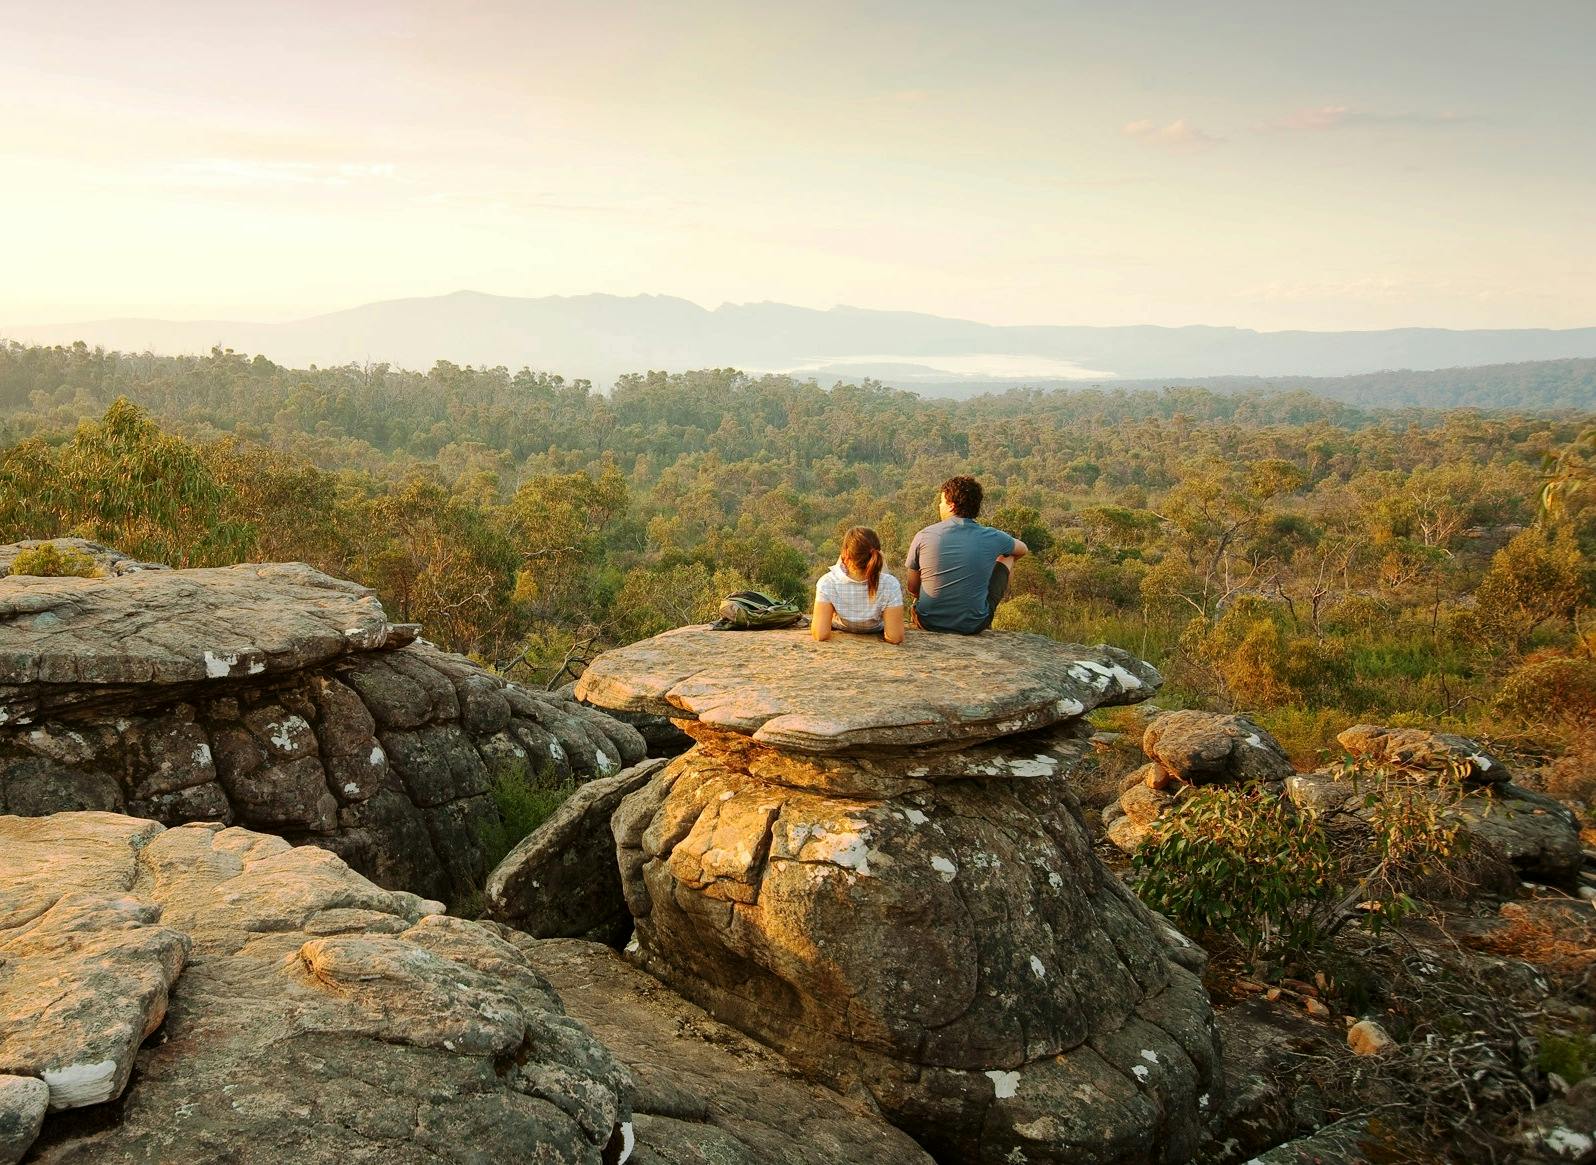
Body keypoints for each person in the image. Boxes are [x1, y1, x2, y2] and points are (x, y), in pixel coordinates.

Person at [906, 475, 1028, 633]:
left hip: (928, 621)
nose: (939, 505)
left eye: (942, 501)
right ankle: (975, 606)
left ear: (952, 506)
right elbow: (1022, 549)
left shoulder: (923, 535)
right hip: (972, 625)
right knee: (1008, 555)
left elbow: (912, 587)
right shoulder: (993, 536)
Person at [812, 526, 906, 644]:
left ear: (846, 553)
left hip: (841, 629)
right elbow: (895, 637)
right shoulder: (890, 584)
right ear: (878, 553)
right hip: (875, 631)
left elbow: (820, 634)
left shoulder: (828, 582)